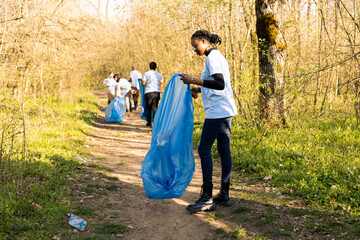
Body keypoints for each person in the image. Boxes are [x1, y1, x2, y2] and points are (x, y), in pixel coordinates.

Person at [180, 30, 238, 213]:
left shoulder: (212, 58)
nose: (194, 49)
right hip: (225, 109)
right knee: (223, 150)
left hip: (217, 112)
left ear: (204, 41)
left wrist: (193, 80)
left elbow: (219, 84)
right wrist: (198, 88)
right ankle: (224, 194)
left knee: (204, 149)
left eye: (195, 45)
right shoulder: (217, 56)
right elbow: (216, 84)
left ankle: (206, 198)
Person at [142, 62, 163, 127]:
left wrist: (141, 82)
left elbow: (144, 83)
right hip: (157, 92)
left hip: (148, 92)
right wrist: (161, 93)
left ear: (149, 67)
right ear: (156, 67)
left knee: (148, 107)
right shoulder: (159, 75)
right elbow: (161, 85)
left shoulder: (146, 74)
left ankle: (149, 122)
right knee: (155, 107)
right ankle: (156, 123)